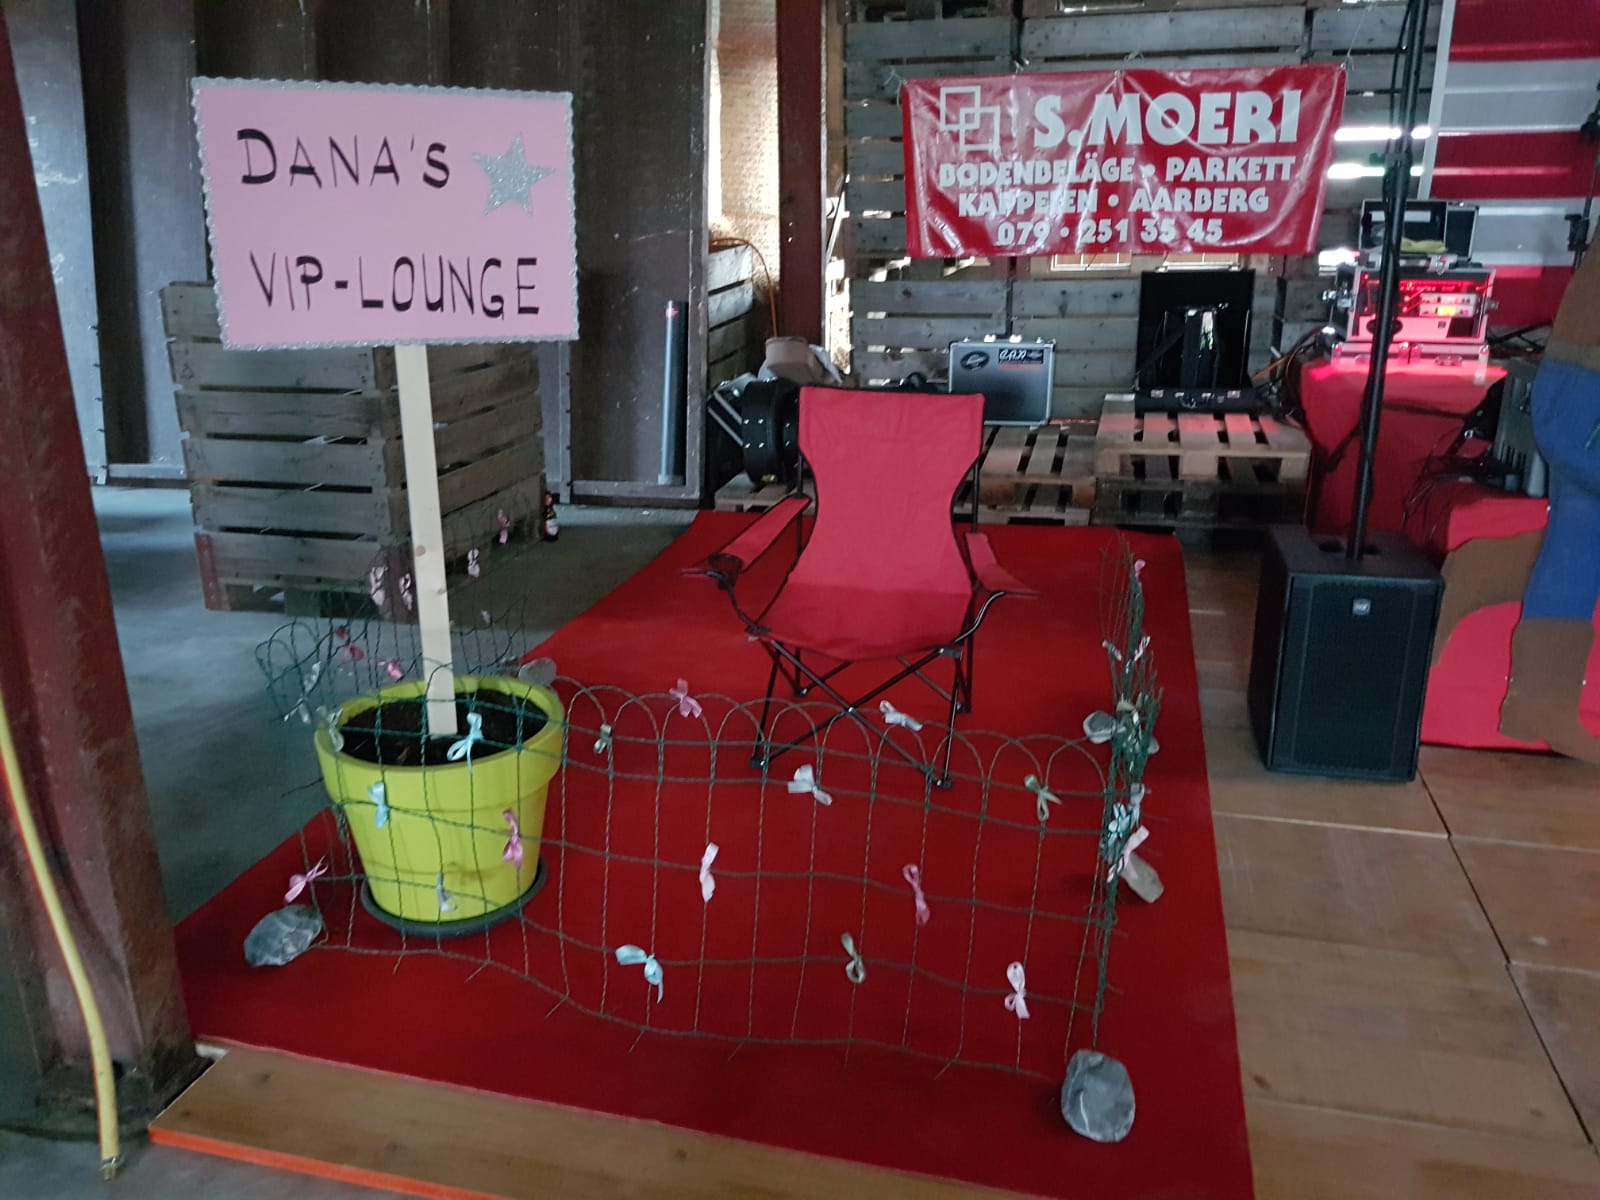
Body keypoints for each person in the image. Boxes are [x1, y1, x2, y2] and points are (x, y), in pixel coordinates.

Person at [1498, 248, 1600, 762]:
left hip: (1575, 387)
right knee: (1577, 543)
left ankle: (1536, 704)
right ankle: (1539, 703)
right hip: (1587, 393)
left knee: (1576, 544)